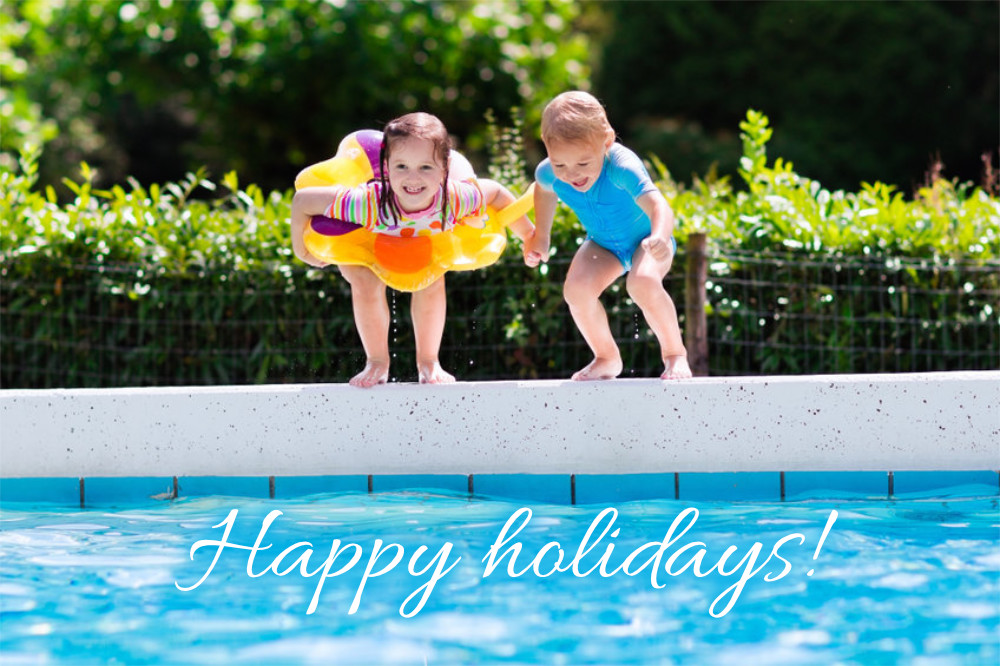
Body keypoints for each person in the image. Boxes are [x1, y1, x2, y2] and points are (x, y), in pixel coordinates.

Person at [291, 112, 540, 388]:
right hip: (369, 234)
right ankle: (376, 361)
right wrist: (302, 251)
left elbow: (496, 194)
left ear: (444, 169)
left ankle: (429, 361)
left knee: (431, 281)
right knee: (365, 283)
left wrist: (529, 235)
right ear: (386, 168)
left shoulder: (453, 199)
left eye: (425, 168)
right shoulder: (367, 203)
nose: (413, 179)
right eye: (401, 167)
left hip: (428, 237)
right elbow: (303, 201)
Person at [527, 91, 692, 381]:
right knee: (575, 292)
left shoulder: (620, 166)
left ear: (607, 141)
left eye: (583, 164)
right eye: (560, 164)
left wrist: (661, 238)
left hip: (647, 242)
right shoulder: (549, 173)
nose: (571, 175)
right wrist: (542, 235)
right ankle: (606, 358)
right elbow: (543, 190)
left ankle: (674, 355)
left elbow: (658, 205)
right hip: (603, 245)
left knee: (641, 282)